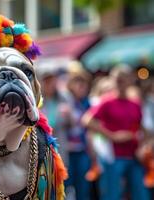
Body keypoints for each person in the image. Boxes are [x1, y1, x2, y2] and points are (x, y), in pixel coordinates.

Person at [82, 65, 150, 200]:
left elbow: (142, 128)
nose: (120, 84)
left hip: (133, 155)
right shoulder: (106, 101)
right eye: (117, 80)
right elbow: (87, 120)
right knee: (112, 194)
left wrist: (143, 146)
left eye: (123, 80)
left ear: (130, 81)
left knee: (140, 194)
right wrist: (112, 136)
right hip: (113, 156)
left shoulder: (135, 103)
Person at [62, 61, 92, 200]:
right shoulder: (64, 100)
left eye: (84, 84)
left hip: (82, 151)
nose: (81, 87)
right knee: (65, 187)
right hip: (66, 152)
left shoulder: (88, 104)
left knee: (83, 188)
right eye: (78, 83)